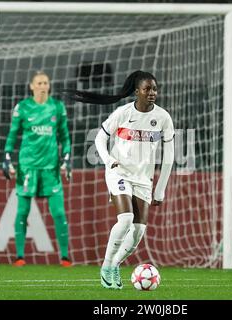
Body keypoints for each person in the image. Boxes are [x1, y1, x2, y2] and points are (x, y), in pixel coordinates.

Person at [65, 70, 174, 289]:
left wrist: (160, 190)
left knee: (137, 232)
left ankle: (115, 264)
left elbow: (169, 157)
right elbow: (99, 138)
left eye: (154, 88)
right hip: (119, 172)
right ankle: (106, 267)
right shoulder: (123, 113)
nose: (152, 92)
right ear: (137, 91)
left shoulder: (163, 117)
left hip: (143, 179)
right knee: (125, 219)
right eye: (147, 89)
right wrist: (108, 160)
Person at [2, 70, 72, 267]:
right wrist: (7, 157)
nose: (42, 86)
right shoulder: (22, 108)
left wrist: (67, 158)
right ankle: (19, 257)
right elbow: (12, 135)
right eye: (39, 83)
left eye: (45, 83)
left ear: (49, 86)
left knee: (58, 212)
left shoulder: (57, 107)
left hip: (51, 168)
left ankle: (65, 257)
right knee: (22, 212)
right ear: (31, 86)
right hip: (27, 167)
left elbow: (65, 136)